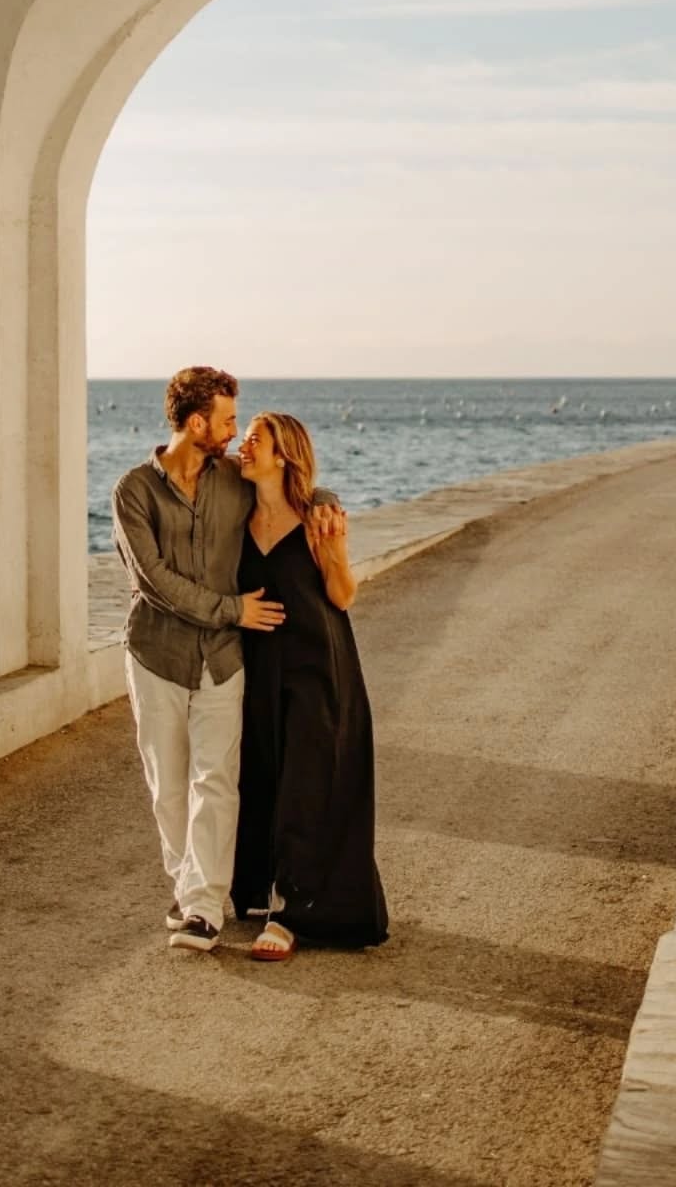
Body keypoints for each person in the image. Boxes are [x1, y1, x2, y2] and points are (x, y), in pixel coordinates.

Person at [111, 367, 344, 952]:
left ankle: (204, 908)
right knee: (168, 787)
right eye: (228, 421)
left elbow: (291, 488)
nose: (236, 433)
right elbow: (154, 580)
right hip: (156, 655)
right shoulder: (132, 492)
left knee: (215, 780)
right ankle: (189, 885)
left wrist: (326, 504)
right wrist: (231, 610)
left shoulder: (234, 480)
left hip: (222, 660)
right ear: (198, 424)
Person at [232, 411, 388, 960]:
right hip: (258, 667)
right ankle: (258, 889)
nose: (243, 445)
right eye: (244, 436)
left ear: (283, 455)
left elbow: (342, 596)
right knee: (263, 777)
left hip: (318, 665)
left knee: (306, 782)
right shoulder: (236, 511)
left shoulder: (315, 517)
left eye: (255, 440)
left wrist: (336, 547)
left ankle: (289, 913)